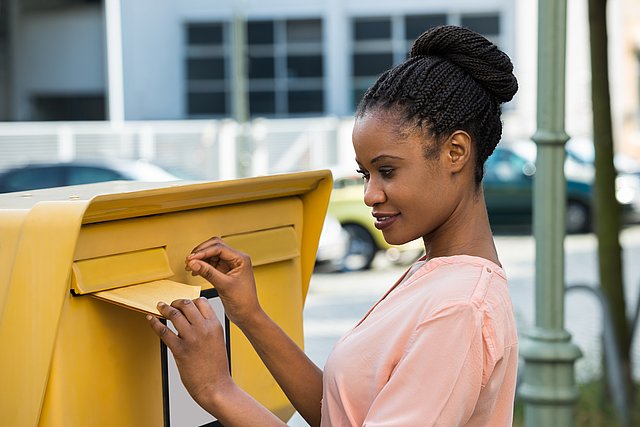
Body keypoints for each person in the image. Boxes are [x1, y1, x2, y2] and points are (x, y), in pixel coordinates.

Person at [148, 24, 519, 426]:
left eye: (388, 171)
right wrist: (249, 314)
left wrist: (217, 390)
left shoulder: (459, 308)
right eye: (365, 175)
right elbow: (339, 414)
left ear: (456, 152)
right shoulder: (435, 277)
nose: (370, 195)